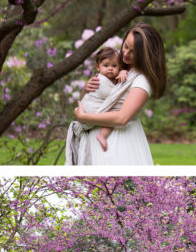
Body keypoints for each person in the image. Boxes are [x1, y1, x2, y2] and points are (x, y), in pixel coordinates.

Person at [66, 23, 166, 166]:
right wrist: (87, 89)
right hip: (95, 136)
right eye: (125, 46)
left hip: (119, 140)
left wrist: (83, 117)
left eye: (133, 52)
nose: (125, 54)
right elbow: (97, 99)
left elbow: (122, 118)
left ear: (145, 55)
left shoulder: (142, 80)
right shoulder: (117, 67)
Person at [81, 47, 129, 152]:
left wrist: (123, 72)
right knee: (115, 115)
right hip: (91, 108)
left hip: (93, 109)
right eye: (106, 65)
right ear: (98, 67)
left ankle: (102, 134)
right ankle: (102, 135)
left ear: (119, 67)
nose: (110, 68)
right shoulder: (99, 80)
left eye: (114, 66)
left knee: (115, 115)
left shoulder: (114, 79)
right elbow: (113, 95)